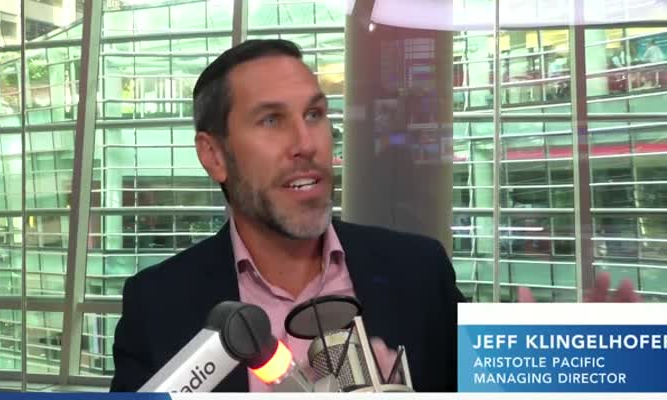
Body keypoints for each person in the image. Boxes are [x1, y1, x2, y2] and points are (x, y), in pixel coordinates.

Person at [109, 39, 640, 393]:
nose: (306, 143)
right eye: (271, 120)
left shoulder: (418, 271)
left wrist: (580, 372)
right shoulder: (158, 305)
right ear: (214, 155)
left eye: (315, 114)